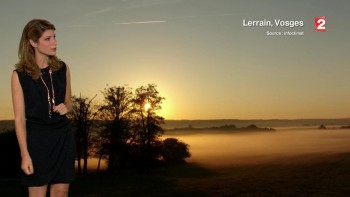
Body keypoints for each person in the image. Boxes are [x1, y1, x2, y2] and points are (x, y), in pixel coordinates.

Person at [11, 19, 76, 197]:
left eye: (54, 37)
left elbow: (69, 102)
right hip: (37, 142)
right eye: (47, 39)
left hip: (63, 138)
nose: (54, 42)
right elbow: (19, 119)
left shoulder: (63, 68)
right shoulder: (19, 76)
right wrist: (25, 154)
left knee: (61, 193)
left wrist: (67, 108)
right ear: (33, 42)